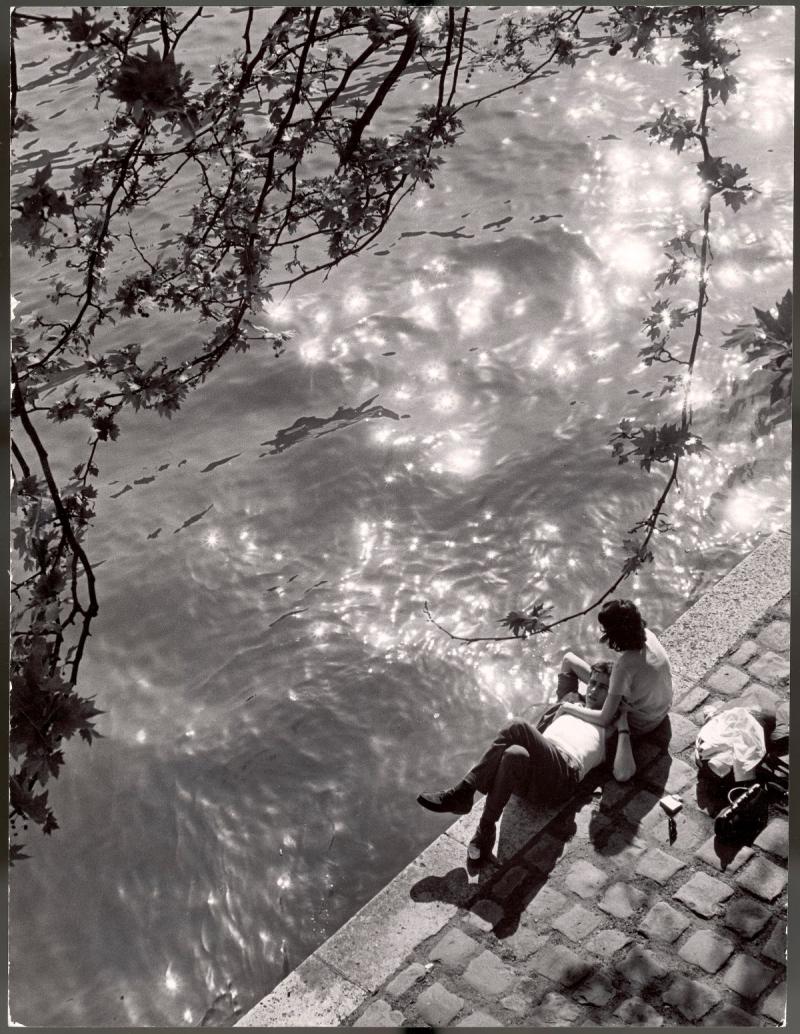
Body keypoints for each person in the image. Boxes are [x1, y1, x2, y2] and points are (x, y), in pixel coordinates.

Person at [417, 662, 614, 862]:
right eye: (592, 683)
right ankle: (485, 831)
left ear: (614, 694)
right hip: (534, 781)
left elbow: (625, 771)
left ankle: (463, 791)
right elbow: (568, 662)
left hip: (563, 776)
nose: (593, 690)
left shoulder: (610, 728)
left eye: (603, 687)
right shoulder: (571, 700)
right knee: (514, 754)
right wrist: (574, 702)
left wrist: (620, 720)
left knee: (517, 725)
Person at [557, 598, 672, 737]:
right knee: (569, 659)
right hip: (661, 708)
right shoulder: (649, 635)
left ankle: (561, 708)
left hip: (641, 723)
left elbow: (604, 719)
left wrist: (568, 708)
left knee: (571, 701)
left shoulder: (623, 667)